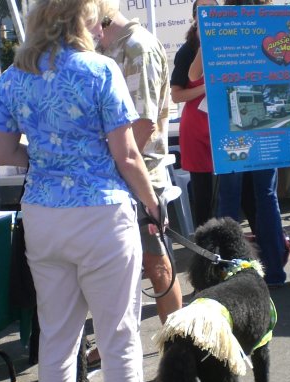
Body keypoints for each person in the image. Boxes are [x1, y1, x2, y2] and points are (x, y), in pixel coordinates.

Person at [0, 0, 167, 382]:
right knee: (118, 328)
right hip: (101, 215)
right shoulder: (100, 70)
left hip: (43, 216)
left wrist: (49, 159)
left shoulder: (12, 77)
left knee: (57, 328)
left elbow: (5, 152)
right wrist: (152, 203)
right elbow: (127, 155)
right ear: (79, 18)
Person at [98, 0, 183, 328]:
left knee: (156, 265)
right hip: (119, 173)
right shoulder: (107, 48)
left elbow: (143, 126)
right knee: (121, 269)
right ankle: (114, 346)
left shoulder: (138, 48)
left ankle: (178, 347)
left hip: (141, 173)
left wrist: (111, 162)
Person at [211, 0, 288, 289]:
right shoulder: (273, 20)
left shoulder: (221, 22)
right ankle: (275, 273)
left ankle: (231, 273)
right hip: (263, 122)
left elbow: (196, 74)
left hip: (229, 125)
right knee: (266, 197)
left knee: (230, 201)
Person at [170, 0, 218, 229]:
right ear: (195, 18)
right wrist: (204, 88)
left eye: (214, 9)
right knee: (203, 194)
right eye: (203, 11)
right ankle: (205, 249)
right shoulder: (187, 50)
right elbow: (176, 96)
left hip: (224, 126)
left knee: (234, 190)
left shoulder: (230, 42)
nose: (209, 14)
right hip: (197, 129)